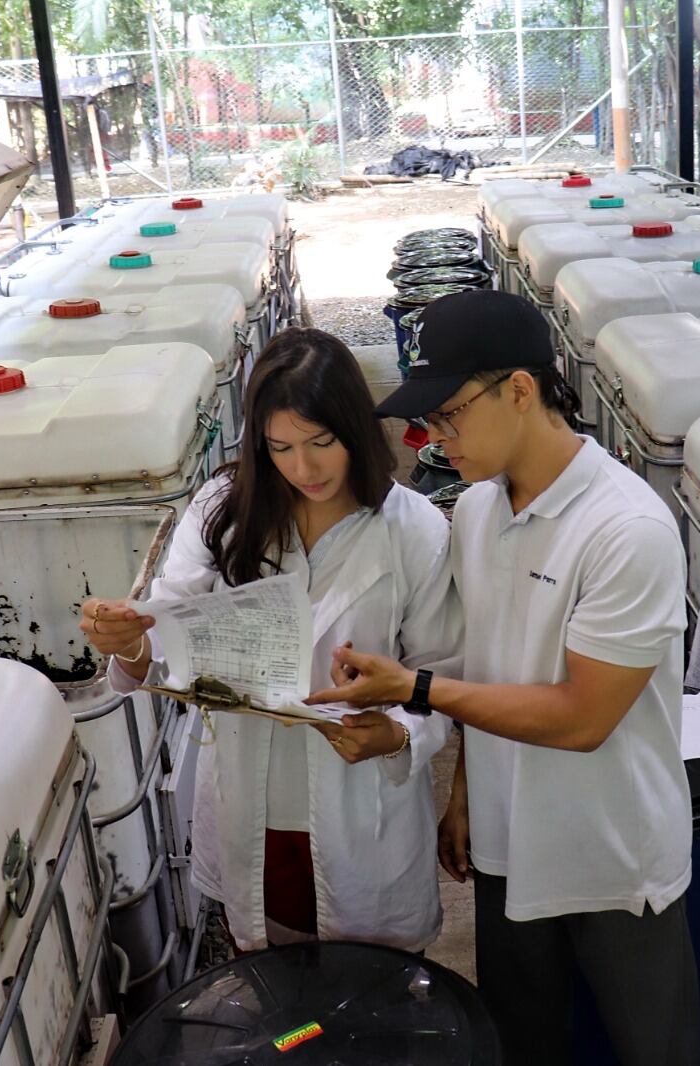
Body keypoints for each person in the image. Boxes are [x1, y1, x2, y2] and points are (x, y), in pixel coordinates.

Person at [309, 290, 700, 1065]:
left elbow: (584, 719)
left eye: (449, 413)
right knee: (520, 1043)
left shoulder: (626, 530)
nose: (431, 436)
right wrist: (463, 794)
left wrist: (413, 690)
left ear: (520, 391)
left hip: (611, 859)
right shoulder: (483, 509)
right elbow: (489, 660)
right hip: (507, 843)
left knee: (655, 1049)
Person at [79, 327, 459, 952]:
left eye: (321, 442)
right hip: (254, 801)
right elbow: (169, 632)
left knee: (372, 994)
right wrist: (128, 638)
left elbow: (441, 671)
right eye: (280, 447)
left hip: (361, 797)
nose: (303, 468)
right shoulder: (225, 509)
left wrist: (397, 731)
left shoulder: (410, 529)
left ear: (356, 430)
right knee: (277, 997)